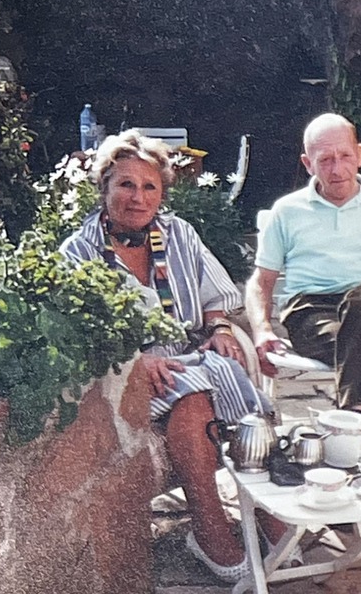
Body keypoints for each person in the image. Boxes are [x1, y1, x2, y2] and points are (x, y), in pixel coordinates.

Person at [59, 129, 291, 583]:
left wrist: (221, 327)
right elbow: (75, 335)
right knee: (197, 393)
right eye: (125, 184)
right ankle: (210, 532)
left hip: (187, 364)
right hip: (124, 380)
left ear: (162, 192)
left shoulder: (180, 234)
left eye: (149, 186)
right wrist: (134, 361)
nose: (137, 197)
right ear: (104, 186)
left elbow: (214, 298)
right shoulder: (77, 253)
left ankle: (263, 511)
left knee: (209, 383)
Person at [245, 113, 361, 458]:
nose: (337, 168)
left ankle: (349, 432)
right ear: (307, 163)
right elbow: (260, 282)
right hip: (311, 310)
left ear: (359, 154)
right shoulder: (287, 211)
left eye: (344, 156)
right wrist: (262, 330)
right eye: (325, 160)